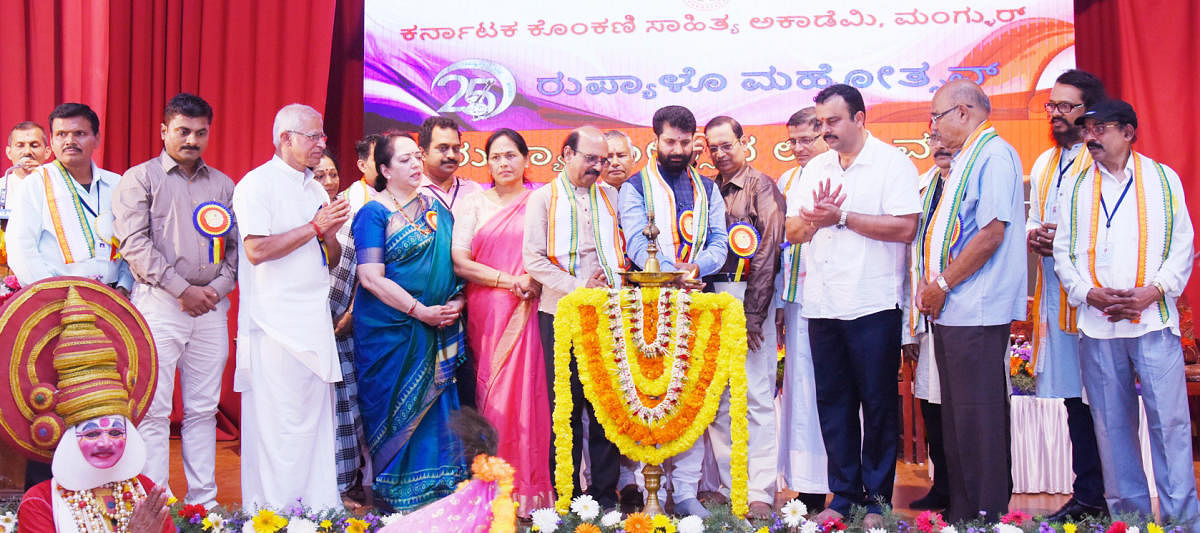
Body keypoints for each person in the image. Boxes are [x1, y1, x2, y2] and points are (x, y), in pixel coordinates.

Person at [1053, 99, 1199, 531]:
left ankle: (1181, 524)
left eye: (1101, 128)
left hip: (1152, 321)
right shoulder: (1075, 186)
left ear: (1129, 132)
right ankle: (1131, 523)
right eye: (1087, 130)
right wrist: (1088, 293)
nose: (1091, 137)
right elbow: (1063, 253)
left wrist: (1151, 292)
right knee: (1111, 430)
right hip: (1098, 327)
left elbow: (1183, 246)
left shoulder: (1162, 179)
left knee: (1170, 427)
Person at [784, 84, 919, 527]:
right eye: (821, 123)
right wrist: (812, 220)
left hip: (872, 303)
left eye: (834, 122)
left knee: (877, 402)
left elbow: (904, 228)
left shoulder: (892, 163)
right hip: (822, 304)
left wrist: (841, 218)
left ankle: (877, 499)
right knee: (834, 402)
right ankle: (843, 496)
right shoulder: (816, 167)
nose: (826, 131)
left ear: (860, 119)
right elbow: (793, 230)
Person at [112, 93, 236, 510]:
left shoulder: (222, 184)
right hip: (160, 304)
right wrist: (183, 290)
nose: (192, 139)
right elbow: (134, 245)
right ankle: (157, 505)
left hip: (211, 307)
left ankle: (205, 504)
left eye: (201, 132)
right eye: (183, 131)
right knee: (155, 409)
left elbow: (237, 248)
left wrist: (215, 290)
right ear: (164, 131)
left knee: (203, 408)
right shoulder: (140, 178)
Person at [917, 79, 1026, 522]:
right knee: (958, 418)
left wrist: (940, 285)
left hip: (976, 308)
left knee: (978, 418)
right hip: (956, 310)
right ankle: (964, 513)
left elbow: (990, 235)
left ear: (962, 112)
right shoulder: (968, 157)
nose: (934, 127)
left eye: (936, 117)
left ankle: (986, 515)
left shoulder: (995, 155)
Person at [231, 103, 347, 511]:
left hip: (313, 322)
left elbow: (328, 258)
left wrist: (329, 234)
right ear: (286, 139)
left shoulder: (315, 188)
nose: (322, 144)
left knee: (316, 426)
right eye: (314, 136)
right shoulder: (255, 185)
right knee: (279, 428)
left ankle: (318, 510)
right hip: (274, 326)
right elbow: (257, 250)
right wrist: (314, 227)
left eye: (323, 136)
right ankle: (276, 514)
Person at [618, 106, 729, 518]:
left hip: (697, 303)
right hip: (648, 308)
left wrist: (697, 269)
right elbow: (634, 243)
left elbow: (719, 240)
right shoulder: (635, 188)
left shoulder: (708, 190)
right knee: (648, 397)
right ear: (656, 141)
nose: (679, 149)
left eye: (686, 142)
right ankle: (650, 486)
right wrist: (672, 275)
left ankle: (684, 489)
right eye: (671, 142)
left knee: (692, 398)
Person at [352, 132, 470, 511]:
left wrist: (457, 300)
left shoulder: (437, 211)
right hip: (391, 334)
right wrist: (421, 312)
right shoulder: (374, 213)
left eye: (417, 156)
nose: (416, 164)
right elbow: (371, 277)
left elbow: (453, 266)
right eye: (404, 160)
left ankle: (442, 493)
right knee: (391, 414)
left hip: (437, 329)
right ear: (384, 169)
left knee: (438, 408)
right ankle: (397, 497)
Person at [11, 284, 170, 533]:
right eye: (92, 433)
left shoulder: (146, 492)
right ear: (68, 438)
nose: (106, 443)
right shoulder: (40, 503)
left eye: (116, 432)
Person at [524, 126, 626, 511]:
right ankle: (564, 497)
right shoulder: (543, 200)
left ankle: (604, 496)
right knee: (563, 409)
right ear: (567, 154)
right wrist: (577, 286)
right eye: (590, 159)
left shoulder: (610, 195)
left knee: (605, 408)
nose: (598, 167)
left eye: (603, 160)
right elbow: (532, 260)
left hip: (606, 315)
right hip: (560, 312)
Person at [451, 128, 552, 514]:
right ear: (486, 162)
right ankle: (494, 491)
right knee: (493, 396)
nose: (503, 163)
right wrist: (509, 280)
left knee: (533, 395)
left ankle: (533, 491)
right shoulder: (474, 204)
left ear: (527, 159)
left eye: (511, 155)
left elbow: (555, 254)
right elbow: (460, 262)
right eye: (495, 157)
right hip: (489, 309)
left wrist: (533, 280)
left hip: (533, 305)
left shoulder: (541, 200)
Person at [692, 115, 785, 520]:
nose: (720, 153)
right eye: (713, 147)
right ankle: (732, 488)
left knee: (757, 397)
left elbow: (767, 253)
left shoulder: (761, 186)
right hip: (711, 299)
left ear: (745, 142)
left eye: (727, 144)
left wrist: (753, 315)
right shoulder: (706, 188)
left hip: (749, 297)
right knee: (718, 399)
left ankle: (761, 489)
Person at [1026, 69, 1109, 521]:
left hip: (1097, 300)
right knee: (1075, 400)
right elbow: (1033, 219)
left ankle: (1110, 493)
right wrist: (1035, 235)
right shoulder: (1044, 163)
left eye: (1066, 107)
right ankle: (1088, 494)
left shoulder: (1103, 160)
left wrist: (1065, 239)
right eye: (1051, 106)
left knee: (1102, 399)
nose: (1056, 115)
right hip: (1058, 298)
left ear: (1088, 111)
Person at [7, 103, 133, 291]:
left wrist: (125, 285)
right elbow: (21, 250)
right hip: (58, 301)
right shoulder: (36, 184)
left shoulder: (117, 184)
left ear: (97, 139)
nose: (70, 141)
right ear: (51, 140)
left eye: (79, 134)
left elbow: (133, 241)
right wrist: (54, 294)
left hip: (112, 298)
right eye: (61, 134)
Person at [775, 106, 830, 513]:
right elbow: (780, 248)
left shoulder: (836, 173)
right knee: (798, 393)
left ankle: (840, 482)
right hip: (795, 303)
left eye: (805, 139)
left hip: (832, 303)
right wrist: (778, 301)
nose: (797, 148)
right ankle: (805, 485)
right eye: (791, 141)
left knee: (829, 392)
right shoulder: (788, 179)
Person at [902, 135, 955, 511]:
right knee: (933, 406)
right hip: (928, 314)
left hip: (966, 311)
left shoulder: (973, 181)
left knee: (965, 407)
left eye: (945, 138)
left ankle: (970, 491)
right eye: (933, 138)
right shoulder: (923, 185)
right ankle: (943, 485)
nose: (939, 145)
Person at [315, 149, 367, 505]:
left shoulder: (353, 218)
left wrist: (350, 312)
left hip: (341, 327)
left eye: (333, 174)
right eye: (320, 175)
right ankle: (317, 484)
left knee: (347, 406)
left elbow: (366, 271)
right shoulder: (300, 220)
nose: (329, 181)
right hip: (305, 328)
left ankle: (346, 483)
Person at [1, 121, 50, 276]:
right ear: (9, 152)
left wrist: (39, 175)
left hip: (48, 271)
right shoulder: (2, 186)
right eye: (20, 145)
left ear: (47, 151)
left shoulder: (59, 187)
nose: (27, 151)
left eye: (34, 145)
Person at [419, 117, 483, 211]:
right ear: (423, 153)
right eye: (443, 148)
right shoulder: (410, 192)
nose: (451, 155)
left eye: (456, 148)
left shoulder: (474, 190)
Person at [343, 134, 382, 216]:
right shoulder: (353, 196)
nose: (384, 165)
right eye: (378, 159)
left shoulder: (402, 189)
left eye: (387, 159)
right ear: (362, 166)